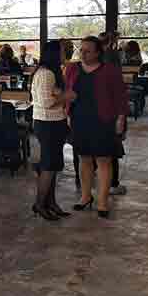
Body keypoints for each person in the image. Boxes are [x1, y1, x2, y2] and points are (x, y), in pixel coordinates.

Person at [65, 36, 129, 218]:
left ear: (98, 53)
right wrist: (66, 110)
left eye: (88, 51)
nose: (83, 54)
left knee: (103, 160)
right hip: (79, 119)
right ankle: (85, 197)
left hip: (104, 120)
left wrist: (121, 118)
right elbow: (66, 90)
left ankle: (102, 201)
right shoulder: (72, 69)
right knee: (84, 158)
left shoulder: (110, 70)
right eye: (81, 50)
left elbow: (120, 95)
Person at [31, 41, 75, 221]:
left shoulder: (52, 72)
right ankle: (40, 204)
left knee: (54, 165)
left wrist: (61, 94)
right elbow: (46, 102)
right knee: (48, 166)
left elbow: (52, 94)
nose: (66, 54)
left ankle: (51, 203)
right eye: (63, 51)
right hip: (47, 124)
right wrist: (67, 96)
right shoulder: (46, 73)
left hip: (55, 123)